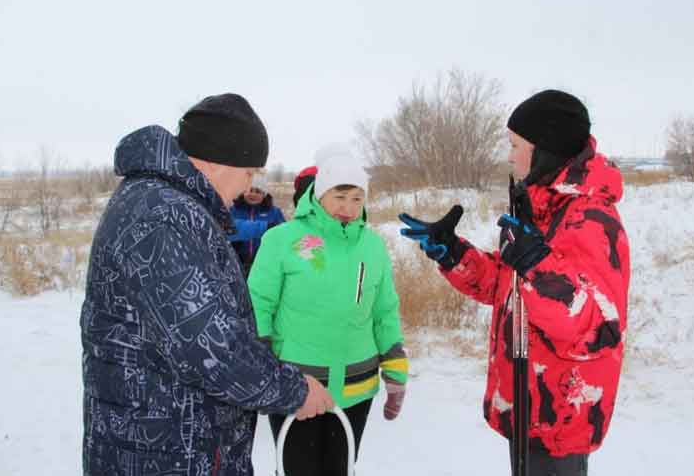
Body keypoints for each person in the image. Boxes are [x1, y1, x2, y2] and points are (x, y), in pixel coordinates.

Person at [80, 93, 334, 476]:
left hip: (165, 441)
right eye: (249, 172)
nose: (249, 184)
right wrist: (295, 390)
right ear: (217, 162)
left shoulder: (159, 202)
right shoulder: (166, 217)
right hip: (168, 453)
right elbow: (211, 351)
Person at [398, 90, 629, 476]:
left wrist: (536, 264)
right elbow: (506, 287)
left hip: (558, 417)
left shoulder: (590, 219)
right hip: (529, 405)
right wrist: (454, 252)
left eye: (515, 145)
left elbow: (596, 325)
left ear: (545, 149)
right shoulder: (543, 208)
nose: (509, 155)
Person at [248, 146, 408, 476]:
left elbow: (385, 312)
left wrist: (395, 370)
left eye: (357, 198)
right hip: (297, 387)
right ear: (320, 194)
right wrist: (262, 368)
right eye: (340, 196)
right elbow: (258, 305)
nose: (348, 208)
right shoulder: (282, 239)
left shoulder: (373, 245)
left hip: (356, 388)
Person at [229, 176, 286, 277]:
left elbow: (283, 236)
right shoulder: (233, 210)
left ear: (264, 194)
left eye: (258, 191)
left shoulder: (274, 212)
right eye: (250, 190)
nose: (253, 194)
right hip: (237, 262)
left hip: (264, 262)